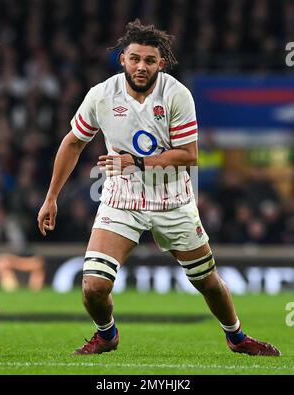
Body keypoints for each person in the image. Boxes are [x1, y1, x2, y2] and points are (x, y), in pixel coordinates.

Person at [37, 20, 281, 356]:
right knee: (94, 286)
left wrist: (134, 162)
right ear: (123, 58)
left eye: (149, 60)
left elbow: (189, 156)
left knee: (207, 282)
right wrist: (51, 197)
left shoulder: (177, 95)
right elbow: (73, 143)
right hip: (121, 200)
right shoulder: (101, 95)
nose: (141, 66)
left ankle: (237, 337)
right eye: (135, 58)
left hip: (173, 202)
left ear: (160, 64)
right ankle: (106, 334)